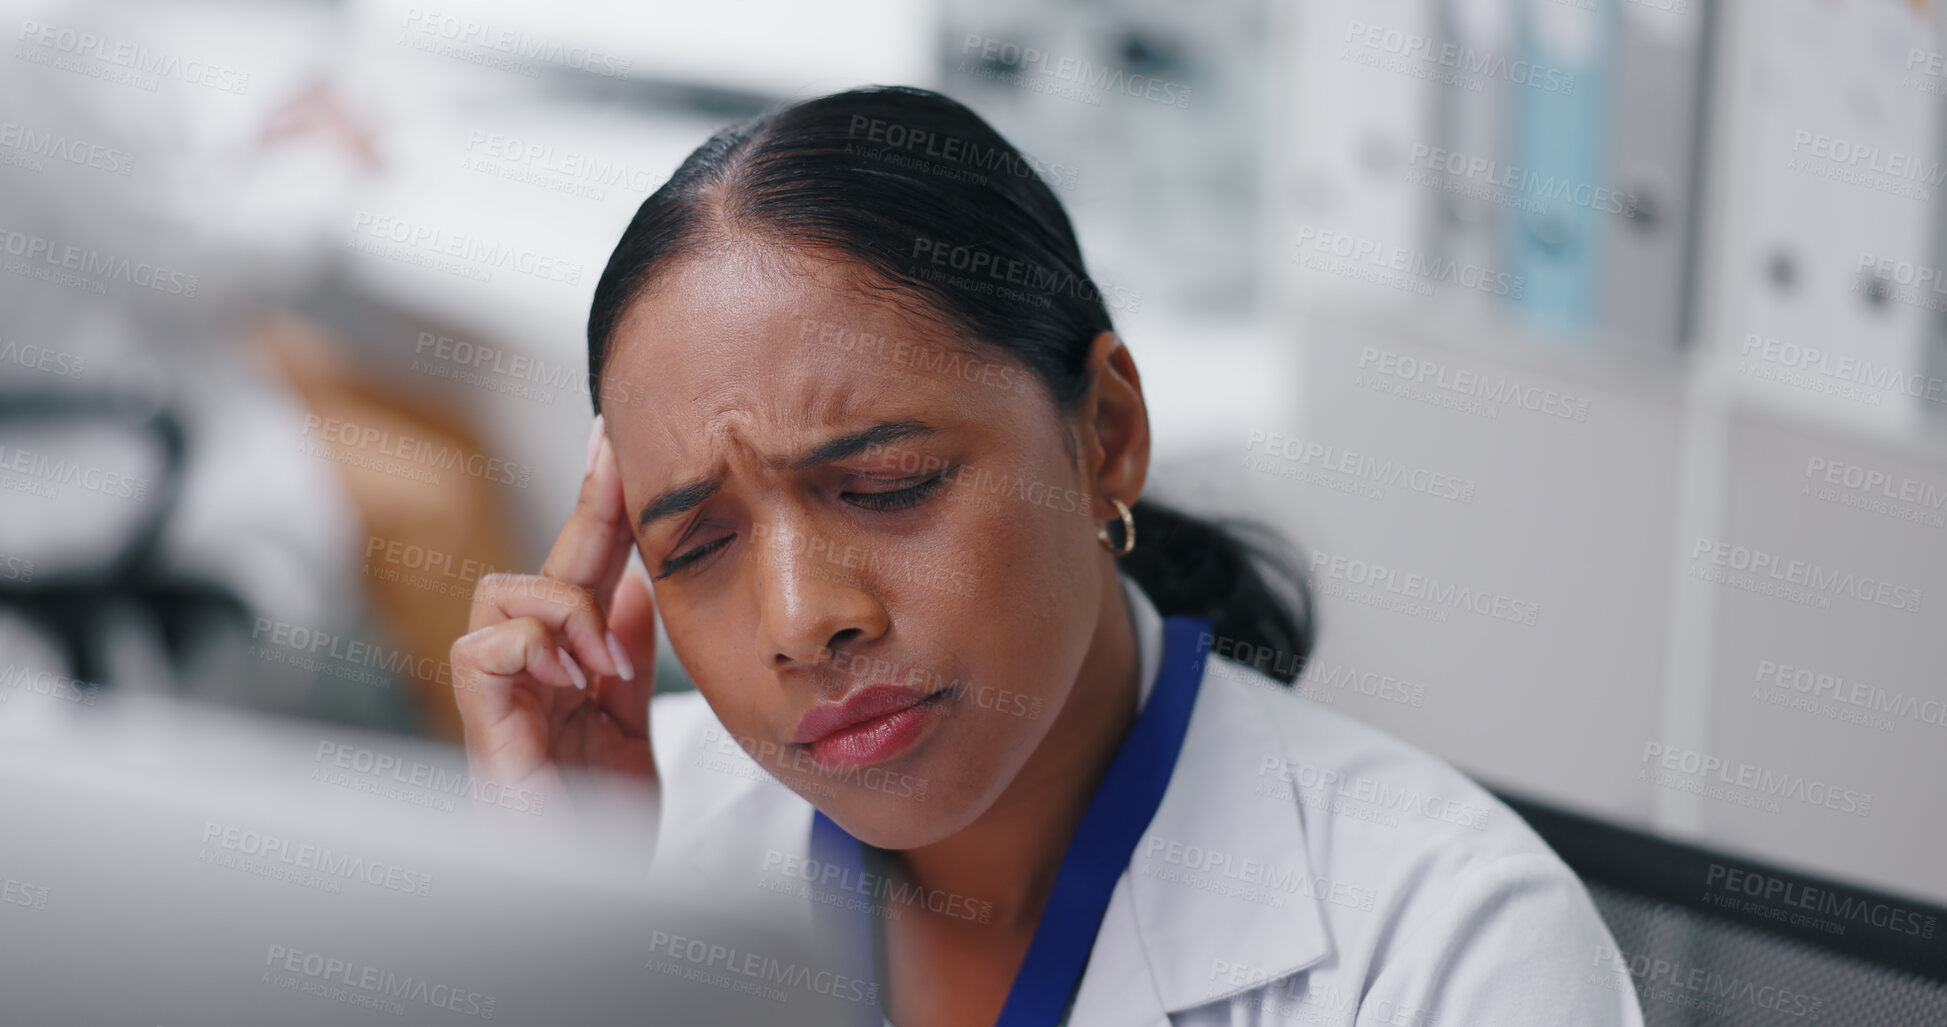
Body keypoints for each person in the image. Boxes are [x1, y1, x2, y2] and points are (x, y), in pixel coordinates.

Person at [447, 86, 1644, 1027]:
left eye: (885, 485)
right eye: (699, 543)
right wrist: (575, 916)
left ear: (1105, 437)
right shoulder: (641, 844)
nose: (804, 617)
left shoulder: (1453, 949)